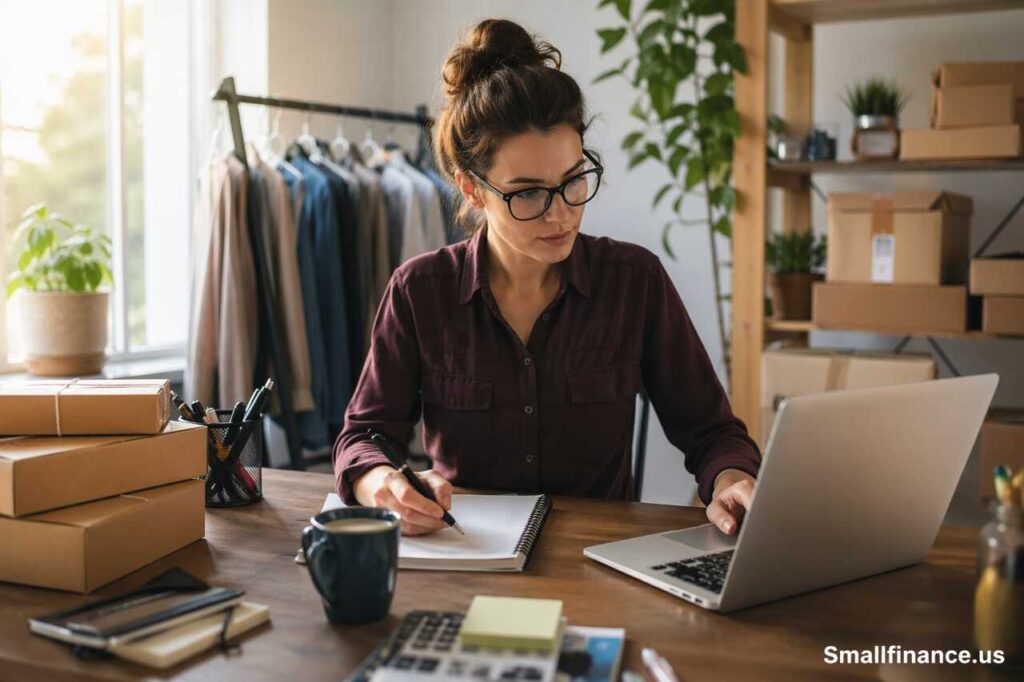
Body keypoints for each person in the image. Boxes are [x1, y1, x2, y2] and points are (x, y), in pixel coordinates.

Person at [333, 19, 761, 537]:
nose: (561, 214)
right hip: (466, 557)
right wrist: (380, 480)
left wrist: (732, 481)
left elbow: (712, 432)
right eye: (528, 193)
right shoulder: (420, 291)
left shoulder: (633, 281)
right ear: (472, 190)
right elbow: (365, 435)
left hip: (600, 565)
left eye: (573, 180)